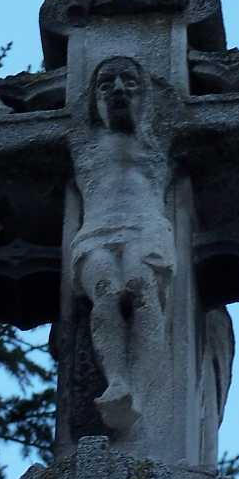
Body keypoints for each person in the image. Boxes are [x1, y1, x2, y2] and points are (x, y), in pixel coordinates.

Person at [69, 57, 176, 432]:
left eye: (128, 82)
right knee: (106, 293)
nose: (116, 89)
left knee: (140, 289)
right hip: (95, 234)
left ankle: (139, 391)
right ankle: (117, 381)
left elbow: (234, 124)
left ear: (145, 93)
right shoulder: (79, 143)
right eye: (105, 83)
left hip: (146, 229)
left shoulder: (160, 138)